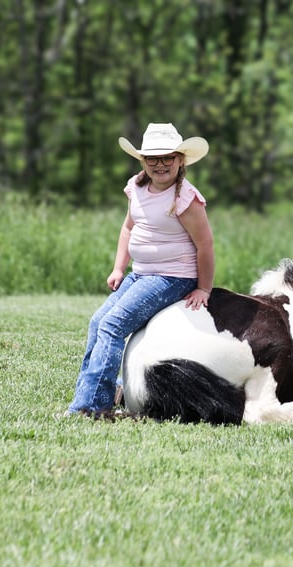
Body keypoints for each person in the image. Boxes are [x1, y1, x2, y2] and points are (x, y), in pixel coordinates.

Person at [65, 122, 215, 417]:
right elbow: (127, 227)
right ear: (142, 161)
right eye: (152, 158)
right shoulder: (137, 186)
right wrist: (119, 268)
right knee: (98, 322)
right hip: (140, 273)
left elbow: (205, 246)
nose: (160, 165)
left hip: (173, 276)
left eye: (167, 157)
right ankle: (98, 391)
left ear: (180, 160)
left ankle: (93, 406)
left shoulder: (184, 198)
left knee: (113, 326)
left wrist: (203, 287)